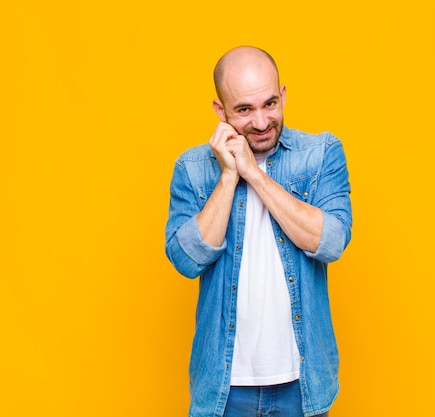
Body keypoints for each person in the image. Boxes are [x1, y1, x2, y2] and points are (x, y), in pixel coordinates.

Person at [164, 46, 352, 417]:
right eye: (245, 110)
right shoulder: (193, 168)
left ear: (282, 94)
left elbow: (331, 241)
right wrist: (229, 177)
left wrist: (254, 174)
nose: (262, 122)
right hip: (224, 386)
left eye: (270, 104)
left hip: (303, 383)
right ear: (221, 111)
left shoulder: (320, 153)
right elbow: (186, 260)